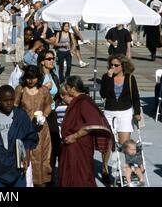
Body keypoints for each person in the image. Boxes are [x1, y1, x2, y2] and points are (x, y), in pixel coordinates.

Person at [0, 85, 39, 187]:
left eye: (12, 100)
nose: (9, 103)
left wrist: (27, 157)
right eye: (5, 100)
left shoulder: (21, 116)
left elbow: (30, 138)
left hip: (17, 171)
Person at [59, 76, 114, 187]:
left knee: (81, 176)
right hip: (71, 145)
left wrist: (74, 136)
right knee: (69, 174)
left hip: (79, 144)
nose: (67, 90)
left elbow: (93, 123)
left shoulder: (84, 102)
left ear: (73, 89)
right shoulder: (77, 101)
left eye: (67, 88)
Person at [99, 54, 141, 185]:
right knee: (108, 144)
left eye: (116, 65)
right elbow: (103, 94)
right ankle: (105, 170)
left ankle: (124, 172)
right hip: (109, 112)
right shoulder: (106, 77)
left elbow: (135, 96)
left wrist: (137, 113)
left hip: (125, 112)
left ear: (123, 66)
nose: (113, 67)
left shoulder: (130, 78)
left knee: (125, 144)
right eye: (111, 65)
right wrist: (108, 78)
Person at [14, 65, 53, 187]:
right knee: (25, 155)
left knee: (42, 156)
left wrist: (44, 115)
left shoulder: (44, 91)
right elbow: (15, 107)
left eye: (33, 78)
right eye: (28, 78)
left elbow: (48, 105)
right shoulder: (20, 89)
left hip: (41, 130)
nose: (30, 81)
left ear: (38, 78)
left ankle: (41, 182)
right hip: (24, 128)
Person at [37, 49, 61, 184]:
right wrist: (44, 88)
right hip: (39, 113)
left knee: (54, 143)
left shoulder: (54, 76)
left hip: (51, 112)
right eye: (49, 59)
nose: (52, 61)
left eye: (53, 58)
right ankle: (40, 174)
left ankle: (50, 174)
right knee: (41, 145)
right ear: (42, 61)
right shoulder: (39, 76)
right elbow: (32, 94)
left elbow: (57, 95)